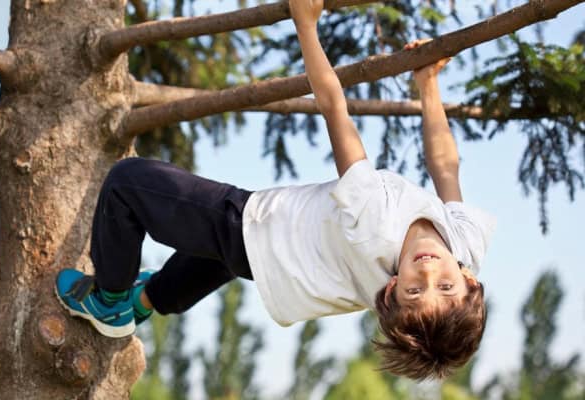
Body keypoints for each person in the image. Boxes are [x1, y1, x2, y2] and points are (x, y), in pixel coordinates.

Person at [55, 0, 495, 380]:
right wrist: (428, 83)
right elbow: (445, 169)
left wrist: (305, 22)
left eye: (414, 293)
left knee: (128, 184)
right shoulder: (465, 243)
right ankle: (148, 299)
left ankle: (110, 301)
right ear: (469, 278)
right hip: (283, 265)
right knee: (213, 258)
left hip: (258, 228)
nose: (427, 276)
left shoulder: (375, 224)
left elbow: (333, 107)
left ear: (391, 288)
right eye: (446, 287)